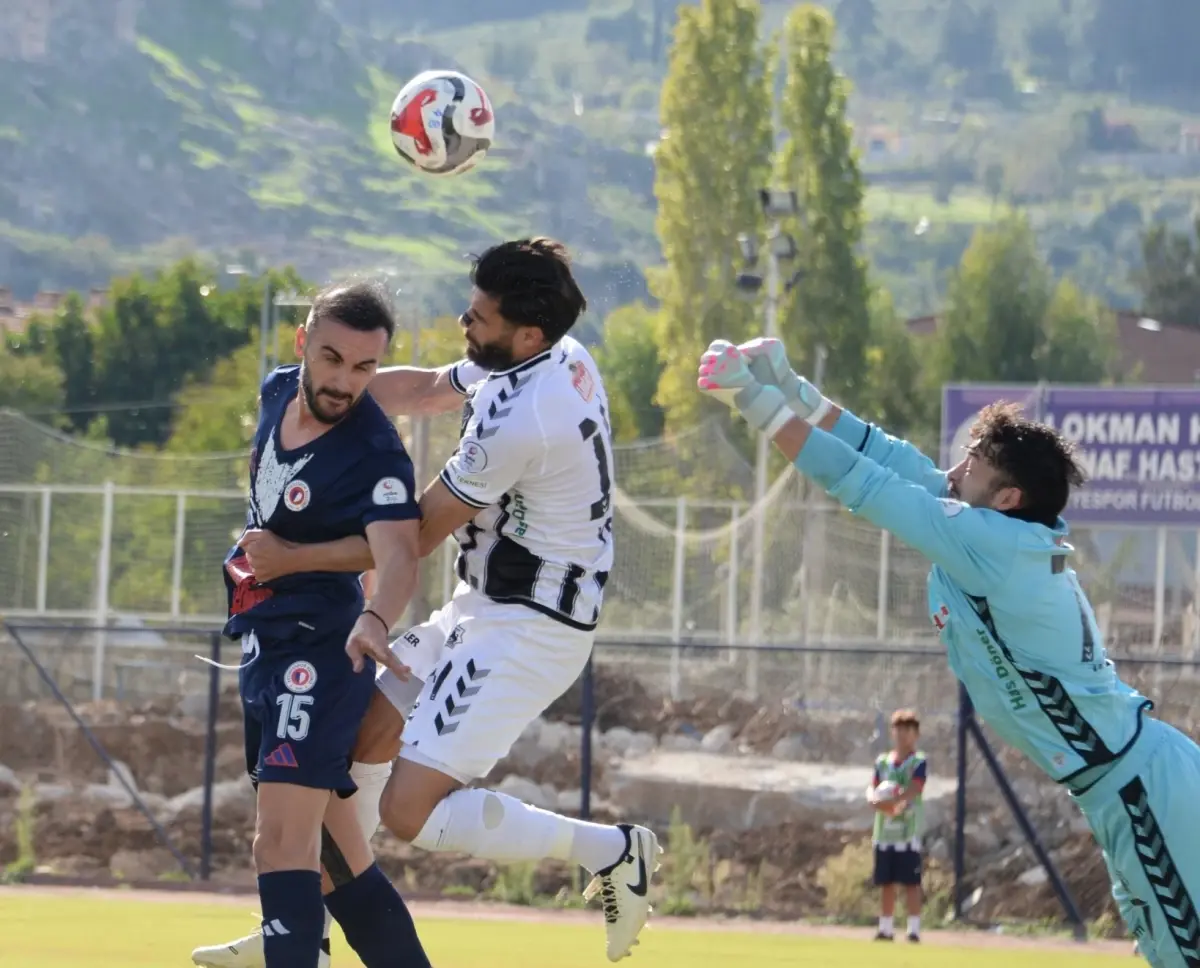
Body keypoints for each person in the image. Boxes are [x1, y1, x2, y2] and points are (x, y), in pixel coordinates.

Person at [194, 238, 661, 967]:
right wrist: (344, 385)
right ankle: (303, 924)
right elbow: (428, 389)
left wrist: (294, 557)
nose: (463, 321)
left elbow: (409, 540)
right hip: (482, 606)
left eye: (479, 316)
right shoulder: (555, 354)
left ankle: (610, 850)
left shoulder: (521, 418)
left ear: (527, 334)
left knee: (404, 810)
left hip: (531, 629)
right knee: (343, 750)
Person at [697, 336, 1200, 968]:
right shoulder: (1001, 531)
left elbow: (863, 481)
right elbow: (888, 457)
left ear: (1008, 497)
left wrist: (752, 398)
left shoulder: (989, 544)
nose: (954, 472)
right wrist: (794, 390)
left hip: (1139, 790)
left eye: (972, 464)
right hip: (1131, 783)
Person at [215, 280, 433, 968]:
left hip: (320, 653)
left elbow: (400, 556)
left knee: (281, 845)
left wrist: (375, 616)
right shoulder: (276, 390)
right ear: (303, 343)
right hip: (265, 641)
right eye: (333, 359)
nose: (345, 383)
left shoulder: (376, 452)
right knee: (339, 866)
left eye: (365, 367)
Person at [868, 708, 927, 943]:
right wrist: (875, 801)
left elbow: (916, 787)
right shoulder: (882, 762)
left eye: (908, 730)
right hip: (884, 833)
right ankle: (885, 928)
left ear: (916, 734)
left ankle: (913, 929)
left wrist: (896, 801)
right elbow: (873, 788)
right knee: (886, 882)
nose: (903, 734)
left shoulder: (918, 761)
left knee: (911, 882)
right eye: (899, 729)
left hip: (907, 832)